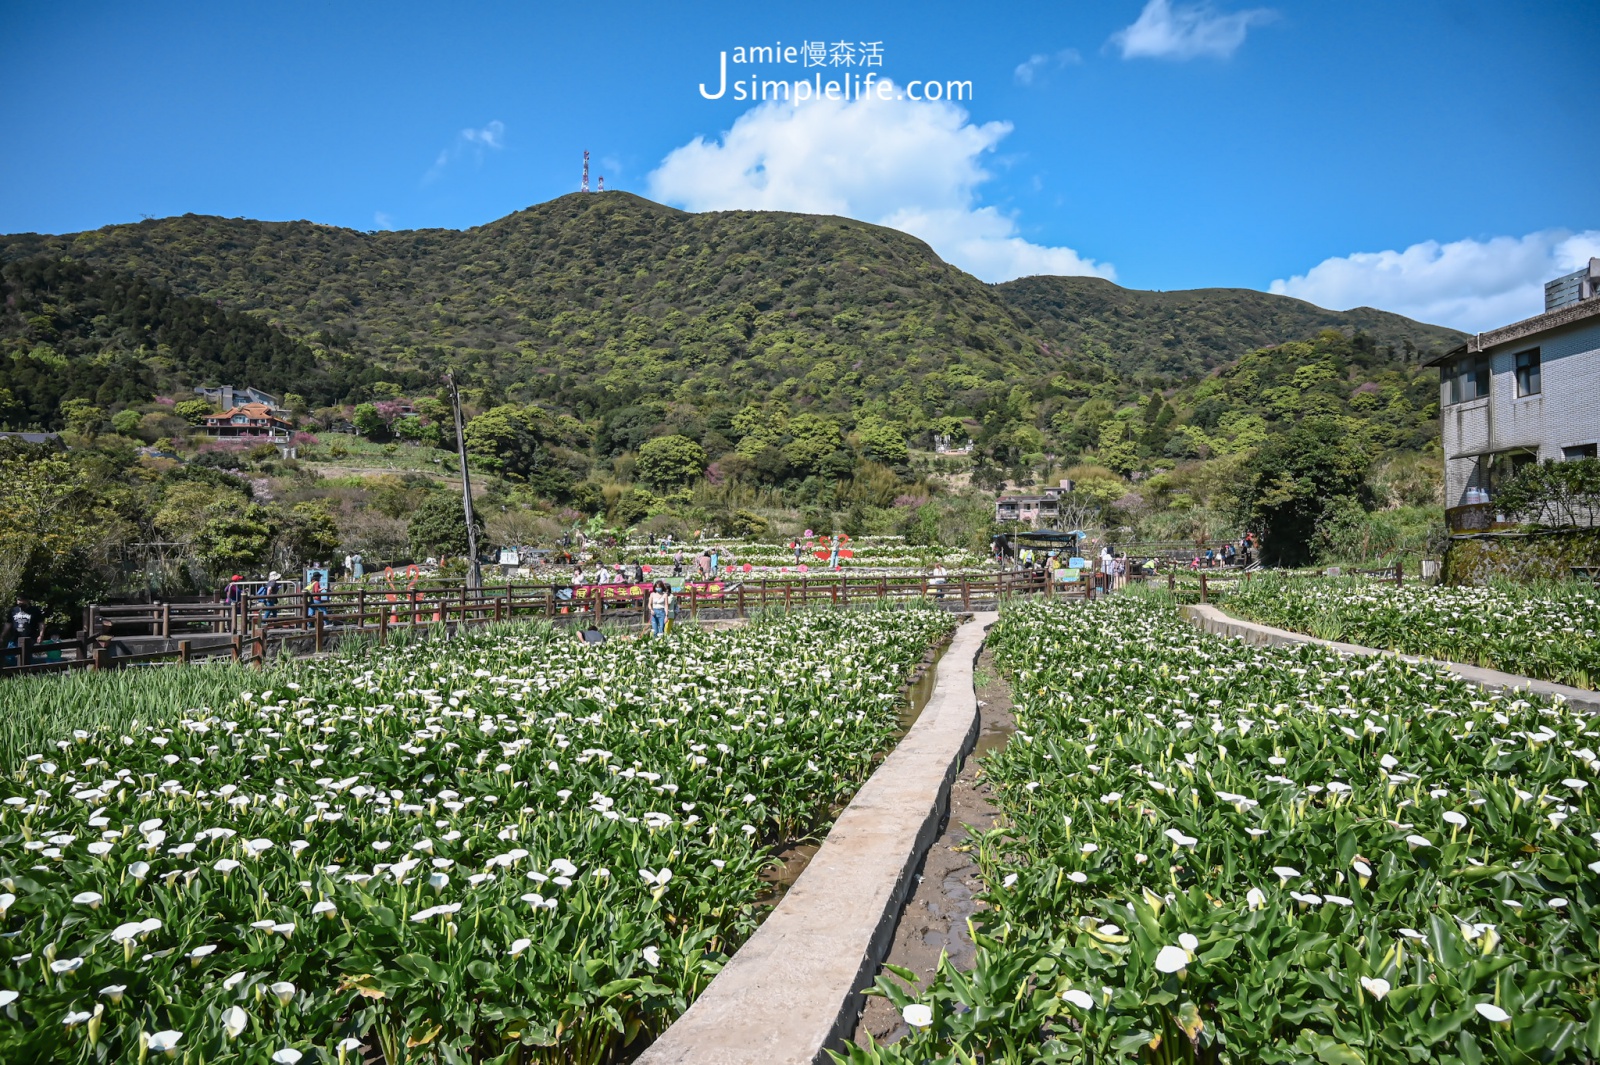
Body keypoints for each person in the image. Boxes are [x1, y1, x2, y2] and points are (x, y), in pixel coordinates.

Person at [2, 596, 45, 667]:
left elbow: (41, 623)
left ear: (27, 601)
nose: (20, 602)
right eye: (18, 600)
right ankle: (14, 673)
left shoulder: (34, 610)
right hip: (15, 638)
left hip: (30, 638)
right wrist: (2, 635)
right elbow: (8, 624)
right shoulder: (13, 610)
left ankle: (29, 673)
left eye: (22, 600)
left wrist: (41, 635)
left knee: (28, 658)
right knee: (9, 657)